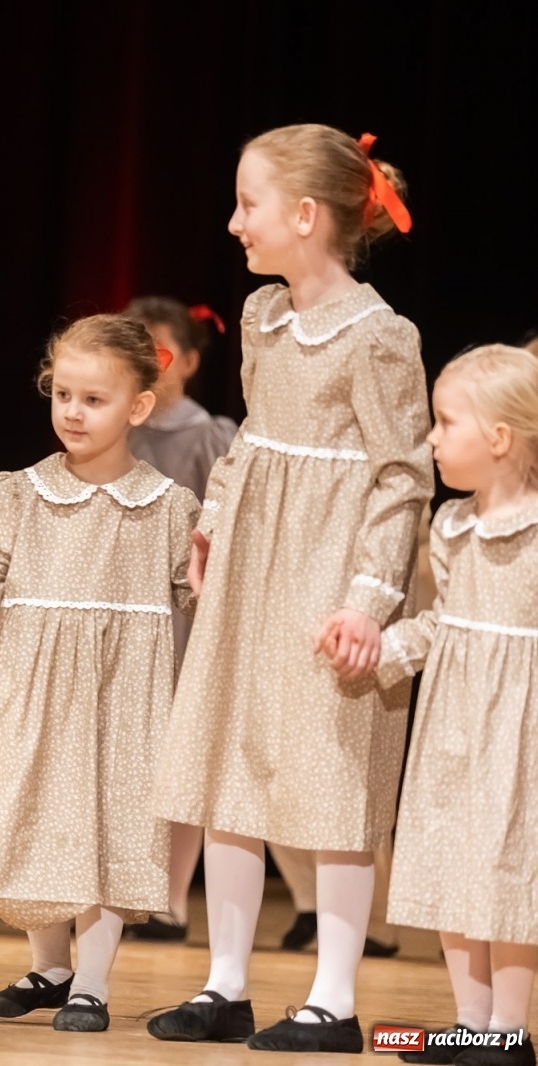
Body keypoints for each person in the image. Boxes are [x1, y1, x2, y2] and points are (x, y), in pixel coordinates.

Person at [146, 125, 430, 1054]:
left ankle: (335, 1000)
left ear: (306, 217)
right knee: (230, 763)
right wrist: (212, 522)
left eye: (249, 204)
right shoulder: (264, 320)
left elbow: (401, 479)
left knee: (328, 780)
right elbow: (252, 445)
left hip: (327, 572)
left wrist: (368, 598)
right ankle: (226, 982)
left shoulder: (381, 337)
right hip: (250, 568)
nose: (235, 223)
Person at [0, 314, 196, 1032]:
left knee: (104, 835)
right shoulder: (16, 494)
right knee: (36, 825)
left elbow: (206, 593)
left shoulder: (167, 508)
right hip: (26, 697)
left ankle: (93, 983)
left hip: (119, 705)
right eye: (62, 393)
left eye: (94, 399)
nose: (73, 411)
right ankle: (51, 964)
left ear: (138, 406)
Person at [343, 344, 538, 1066]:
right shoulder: (452, 528)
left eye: (444, 422)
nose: (431, 438)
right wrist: (384, 651)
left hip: (522, 727)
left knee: (510, 868)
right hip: (454, 722)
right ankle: (471, 1020)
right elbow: (444, 620)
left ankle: (508, 1032)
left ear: (498, 439)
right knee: (456, 862)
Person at [119, 295, 235, 941]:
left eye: (161, 352)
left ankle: (170, 900)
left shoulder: (210, 437)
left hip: (183, 618)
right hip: (121, 613)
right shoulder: (115, 431)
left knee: (180, 763)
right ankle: (121, 889)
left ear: (189, 361)